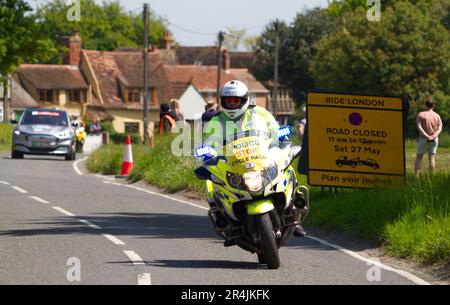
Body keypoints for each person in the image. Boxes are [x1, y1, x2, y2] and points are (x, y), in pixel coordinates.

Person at [203, 80, 306, 242]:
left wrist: (282, 137)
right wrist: (207, 152)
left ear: (244, 100)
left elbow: (275, 129)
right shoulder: (216, 121)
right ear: (222, 101)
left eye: (235, 100)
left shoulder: (260, 113)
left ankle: (294, 213)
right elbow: (210, 142)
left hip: (261, 160)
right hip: (234, 164)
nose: (231, 104)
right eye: (228, 101)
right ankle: (226, 223)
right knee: (211, 184)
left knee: (287, 165)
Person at [414, 99, 443, 176]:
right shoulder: (437, 115)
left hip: (423, 139)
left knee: (419, 158)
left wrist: (427, 136)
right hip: (434, 140)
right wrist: (434, 136)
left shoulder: (421, 114)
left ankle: (416, 176)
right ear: (434, 105)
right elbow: (440, 127)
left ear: (425, 105)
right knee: (431, 158)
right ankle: (431, 176)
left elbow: (419, 127)